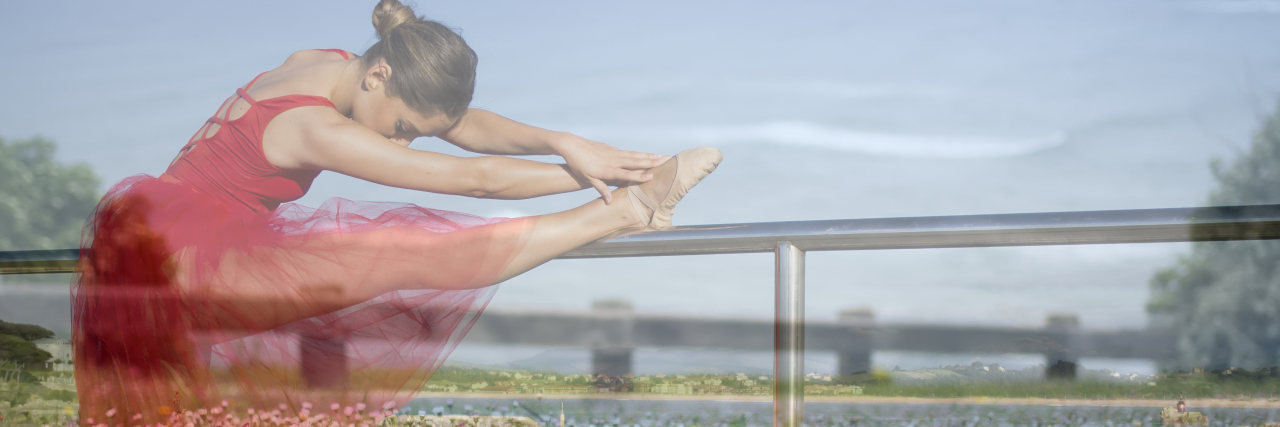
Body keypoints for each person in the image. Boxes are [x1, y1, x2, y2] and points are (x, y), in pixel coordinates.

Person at [71, 0, 721, 422]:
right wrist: (594, 176)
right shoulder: (313, 128)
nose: (403, 142)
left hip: (158, 242)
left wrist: (563, 141)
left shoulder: (327, 64)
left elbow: (459, 126)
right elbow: (476, 181)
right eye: (403, 128)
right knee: (410, 251)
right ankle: (629, 210)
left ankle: (632, 204)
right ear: (379, 76)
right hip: (180, 266)